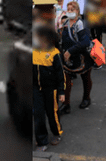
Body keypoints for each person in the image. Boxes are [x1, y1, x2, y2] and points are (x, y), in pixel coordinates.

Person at [33, 24, 65, 152]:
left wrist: (61, 91)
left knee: (52, 114)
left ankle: (57, 132)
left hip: (51, 90)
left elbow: (60, 74)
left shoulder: (54, 53)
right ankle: (41, 140)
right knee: (38, 115)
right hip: (36, 89)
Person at [58, 1, 93, 113]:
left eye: (72, 9)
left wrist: (70, 51)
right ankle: (66, 104)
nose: (69, 11)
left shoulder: (81, 24)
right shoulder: (65, 23)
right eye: (68, 9)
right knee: (66, 81)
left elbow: (85, 42)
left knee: (85, 78)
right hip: (69, 58)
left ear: (77, 11)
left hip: (82, 56)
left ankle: (86, 98)